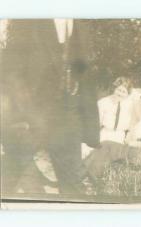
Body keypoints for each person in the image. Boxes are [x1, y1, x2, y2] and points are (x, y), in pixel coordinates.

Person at [2, 19, 99, 196]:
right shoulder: (29, 18)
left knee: (72, 188)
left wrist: (90, 129)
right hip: (31, 118)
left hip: (70, 116)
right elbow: (11, 71)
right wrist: (21, 115)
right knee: (8, 179)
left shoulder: (82, 22)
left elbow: (86, 76)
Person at [78, 87, 141, 194]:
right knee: (105, 145)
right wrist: (130, 140)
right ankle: (86, 178)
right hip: (136, 151)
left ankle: (81, 177)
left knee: (107, 146)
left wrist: (135, 143)